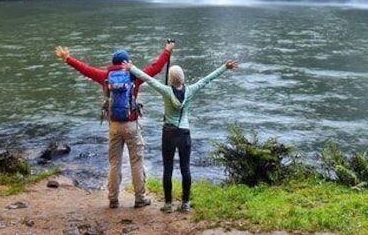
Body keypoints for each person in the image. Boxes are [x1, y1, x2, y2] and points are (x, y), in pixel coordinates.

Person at [55, 40, 174, 209]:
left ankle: (113, 199)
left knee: (114, 162)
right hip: (131, 124)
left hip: (114, 126)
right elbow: (156, 68)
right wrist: (167, 51)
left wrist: (68, 58)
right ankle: (139, 198)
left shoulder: (105, 76)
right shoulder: (134, 75)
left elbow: (85, 69)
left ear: (113, 63)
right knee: (137, 161)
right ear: (126, 62)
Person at [124, 57, 238, 213]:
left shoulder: (165, 90)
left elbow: (148, 79)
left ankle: (168, 204)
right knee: (185, 169)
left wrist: (132, 68)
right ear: (183, 77)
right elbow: (207, 80)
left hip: (168, 133)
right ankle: (185, 204)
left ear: (170, 79)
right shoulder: (191, 90)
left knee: (168, 169)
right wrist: (224, 67)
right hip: (184, 133)